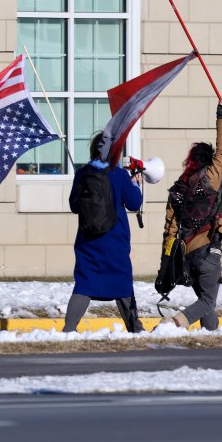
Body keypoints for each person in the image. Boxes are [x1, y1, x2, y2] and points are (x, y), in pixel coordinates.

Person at [159, 100, 222, 330]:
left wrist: (165, 265)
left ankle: (212, 335)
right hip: (209, 252)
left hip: (188, 255)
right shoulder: (211, 178)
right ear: (208, 161)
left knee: (206, 307)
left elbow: (170, 230)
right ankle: (175, 323)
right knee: (207, 301)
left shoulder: (178, 189)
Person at [64, 133, 144, 333]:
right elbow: (134, 203)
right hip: (115, 240)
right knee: (122, 283)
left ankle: (69, 328)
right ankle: (135, 328)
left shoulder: (82, 173)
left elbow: (74, 206)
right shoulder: (119, 175)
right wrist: (134, 183)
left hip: (87, 240)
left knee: (84, 284)